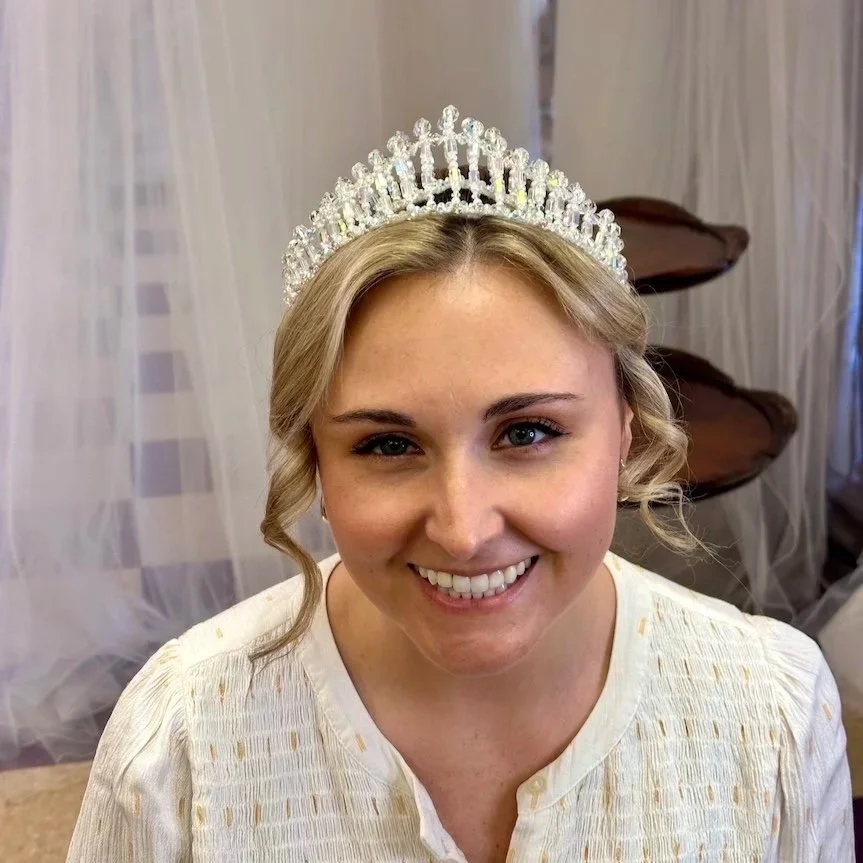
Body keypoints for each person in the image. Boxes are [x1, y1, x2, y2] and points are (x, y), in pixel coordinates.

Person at [67, 106, 854, 862]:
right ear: (314, 454)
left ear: (627, 428)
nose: (464, 528)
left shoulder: (769, 714)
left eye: (527, 432)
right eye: (386, 443)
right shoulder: (182, 748)